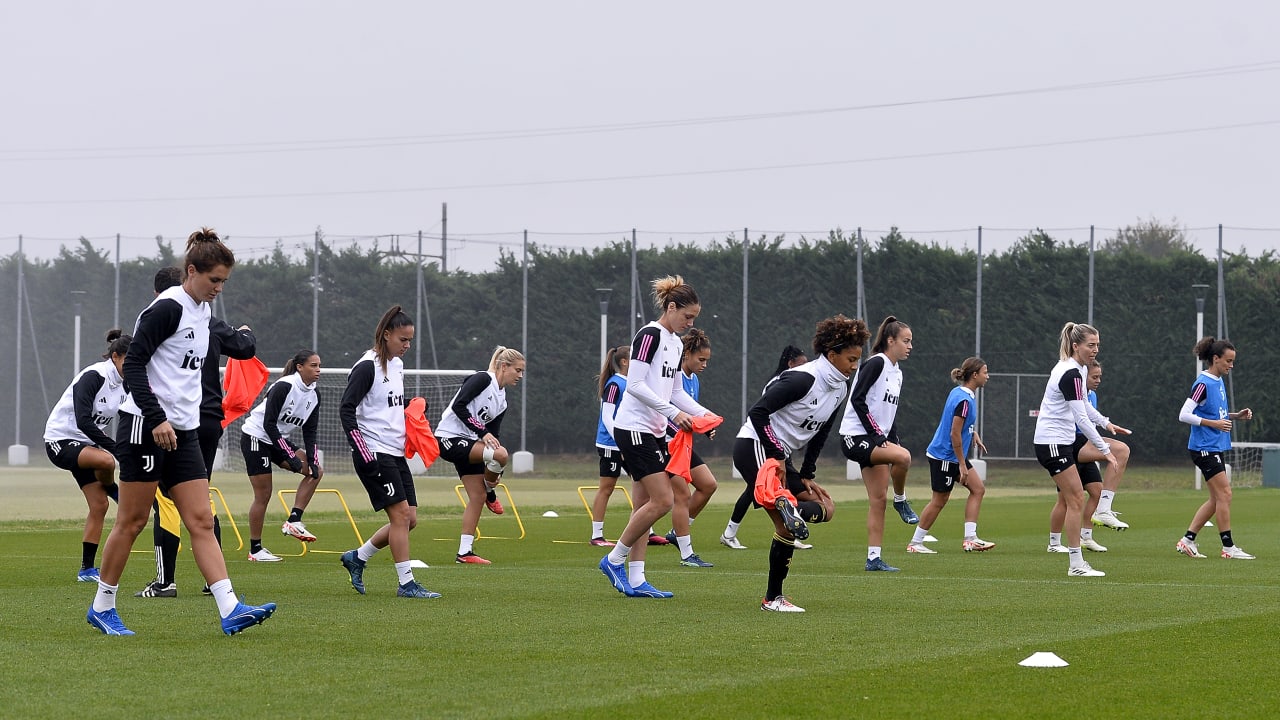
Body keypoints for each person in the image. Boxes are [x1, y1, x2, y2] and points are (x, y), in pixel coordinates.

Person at [88, 228, 275, 635]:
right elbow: (134, 366)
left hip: (184, 433)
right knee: (132, 521)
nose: (219, 289)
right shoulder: (166, 309)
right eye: (214, 280)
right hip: (144, 427)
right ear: (191, 271)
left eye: (224, 282)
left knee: (202, 521)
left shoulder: (202, 311)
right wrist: (156, 418)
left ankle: (231, 609)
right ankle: (102, 606)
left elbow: (237, 349)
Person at [134, 266, 255, 598]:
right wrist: (245, 332)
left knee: (167, 502)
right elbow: (245, 347)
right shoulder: (204, 320)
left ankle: (165, 581)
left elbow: (136, 364)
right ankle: (211, 582)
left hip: (176, 421)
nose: (215, 289)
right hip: (208, 421)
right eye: (213, 282)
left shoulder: (185, 316)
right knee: (201, 501)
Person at [736, 315, 866, 612]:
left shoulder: (840, 389)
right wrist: (777, 455)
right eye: (851, 359)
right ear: (831, 355)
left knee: (827, 507)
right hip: (754, 446)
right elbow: (758, 413)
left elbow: (820, 433)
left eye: (858, 359)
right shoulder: (803, 378)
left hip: (782, 457)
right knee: (785, 526)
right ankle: (773, 598)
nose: (854, 366)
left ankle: (790, 507)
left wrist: (807, 473)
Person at [599, 275, 713, 598]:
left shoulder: (677, 344)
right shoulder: (649, 334)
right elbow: (635, 385)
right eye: (686, 316)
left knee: (643, 504)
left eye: (694, 319)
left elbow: (676, 391)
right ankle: (613, 559)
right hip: (634, 428)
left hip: (653, 430)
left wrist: (703, 416)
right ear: (671, 307)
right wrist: (675, 414)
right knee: (663, 500)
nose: (689, 324)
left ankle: (636, 580)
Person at [339, 305, 439, 598]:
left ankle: (358, 557)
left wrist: (412, 404)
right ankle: (406, 584)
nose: (407, 346)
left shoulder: (396, 365)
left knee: (411, 520)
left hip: (394, 452)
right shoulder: (366, 366)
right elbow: (347, 409)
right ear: (386, 335)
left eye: (410, 340)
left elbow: (385, 402)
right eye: (402, 339)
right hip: (374, 452)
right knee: (400, 517)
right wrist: (364, 451)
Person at [1032, 322, 1132, 578]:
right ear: (1076, 346)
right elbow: (1081, 419)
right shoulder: (1071, 373)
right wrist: (1103, 449)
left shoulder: (1075, 369)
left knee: (1074, 499)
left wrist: (1107, 423)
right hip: (1052, 443)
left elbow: (1086, 408)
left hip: (1059, 443)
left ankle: (1076, 558)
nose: (1095, 349)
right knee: (1076, 499)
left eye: (1097, 344)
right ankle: (1075, 563)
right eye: (1091, 345)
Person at [44, 329, 130, 583]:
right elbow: (83, 420)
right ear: (115, 356)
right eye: (129, 360)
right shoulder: (94, 376)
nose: (133, 365)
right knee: (106, 460)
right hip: (59, 441)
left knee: (99, 505)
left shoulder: (125, 382)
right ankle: (114, 490)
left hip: (85, 446)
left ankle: (86, 569)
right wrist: (115, 448)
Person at [839, 315, 918, 573]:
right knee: (904, 458)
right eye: (905, 341)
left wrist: (890, 439)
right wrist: (877, 436)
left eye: (911, 342)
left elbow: (889, 415)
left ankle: (874, 558)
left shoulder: (898, 373)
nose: (909, 346)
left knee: (877, 499)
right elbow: (858, 400)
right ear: (890, 340)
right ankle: (901, 499)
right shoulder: (877, 363)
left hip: (875, 439)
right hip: (855, 437)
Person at [436, 346, 526, 565]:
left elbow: (493, 434)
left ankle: (464, 553)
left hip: (470, 443)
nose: (520, 376)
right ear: (504, 366)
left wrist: (493, 462)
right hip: (448, 439)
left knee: (477, 497)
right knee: (501, 456)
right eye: (518, 370)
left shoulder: (502, 400)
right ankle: (491, 491)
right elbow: (459, 406)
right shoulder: (482, 379)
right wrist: (484, 437)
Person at [239, 350, 324, 562]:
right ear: (300, 367)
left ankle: (294, 520)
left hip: (277, 439)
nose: (318, 370)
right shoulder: (284, 387)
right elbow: (268, 424)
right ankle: (255, 550)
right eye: (313, 365)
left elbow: (310, 431)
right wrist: (289, 455)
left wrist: (311, 460)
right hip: (256, 437)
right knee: (264, 493)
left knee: (316, 472)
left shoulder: (314, 395)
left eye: (319, 365)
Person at [720, 345, 807, 551]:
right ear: (790, 364)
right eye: (801, 365)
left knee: (757, 489)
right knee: (766, 488)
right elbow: (764, 416)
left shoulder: (793, 383)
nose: (806, 369)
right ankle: (787, 532)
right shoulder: (780, 383)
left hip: (772, 446)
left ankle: (730, 533)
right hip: (754, 443)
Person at [1175, 337, 1255, 560]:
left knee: (1216, 499)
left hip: (1214, 446)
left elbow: (1214, 414)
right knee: (1225, 494)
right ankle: (1228, 548)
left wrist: (1235, 416)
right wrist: (1214, 424)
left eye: (1233, 361)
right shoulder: (1203, 383)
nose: (1231, 365)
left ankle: (1187, 540)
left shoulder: (1218, 381)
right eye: (1228, 361)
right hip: (1203, 448)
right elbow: (1184, 414)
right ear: (1215, 359)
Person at [907, 357, 995, 554]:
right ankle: (915, 543)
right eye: (985, 372)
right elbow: (954, 432)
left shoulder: (961, 393)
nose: (987, 376)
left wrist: (973, 433)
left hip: (954, 456)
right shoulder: (964, 400)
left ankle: (970, 539)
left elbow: (960, 425)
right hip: (945, 457)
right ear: (974, 375)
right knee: (940, 500)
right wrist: (962, 464)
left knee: (978, 489)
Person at [661, 328, 718, 567]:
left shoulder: (693, 380)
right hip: (667, 443)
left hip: (683, 444)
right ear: (686, 355)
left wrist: (706, 423)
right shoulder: (672, 375)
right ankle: (687, 554)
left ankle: (678, 531)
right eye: (700, 359)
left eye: (707, 360)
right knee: (681, 496)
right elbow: (665, 413)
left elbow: (691, 412)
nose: (704, 364)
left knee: (708, 485)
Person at [1047, 360, 1110, 553]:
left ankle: (1086, 537)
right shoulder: (1072, 389)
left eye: (1100, 376)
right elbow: (1080, 419)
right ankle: (1054, 543)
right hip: (1070, 447)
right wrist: (1104, 448)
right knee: (1066, 499)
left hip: (1085, 446)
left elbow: (1091, 420)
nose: (1098, 380)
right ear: (1083, 376)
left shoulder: (1093, 396)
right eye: (1094, 377)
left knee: (1097, 492)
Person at [590, 345, 631, 547]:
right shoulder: (615, 385)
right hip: (611, 444)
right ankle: (597, 535)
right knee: (607, 488)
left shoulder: (632, 384)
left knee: (646, 484)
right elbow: (607, 416)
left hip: (629, 443)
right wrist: (621, 442)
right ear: (624, 362)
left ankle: (646, 532)